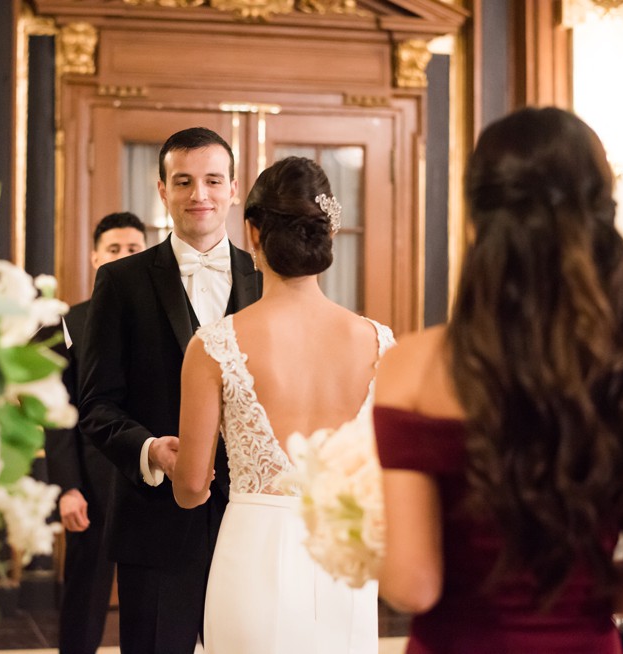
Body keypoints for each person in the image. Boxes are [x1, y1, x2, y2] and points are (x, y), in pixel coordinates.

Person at [372, 106, 623, 653]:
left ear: (475, 220)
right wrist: (568, 595)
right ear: (602, 213)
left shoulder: (415, 367)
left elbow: (414, 586)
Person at [173, 156, 386, 653]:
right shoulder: (378, 343)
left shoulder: (214, 344)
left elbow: (189, 487)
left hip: (252, 554)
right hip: (344, 560)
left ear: (251, 232)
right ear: (327, 231)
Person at [78, 127, 262, 654]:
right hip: (155, 520)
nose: (199, 194)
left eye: (212, 180)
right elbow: (96, 403)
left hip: (248, 520)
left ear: (232, 189)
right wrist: (150, 449)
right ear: (162, 190)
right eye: (183, 181)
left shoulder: (266, 278)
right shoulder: (120, 282)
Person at [45, 211, 147, 654]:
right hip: (91, 481)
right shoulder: (67, 323)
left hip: (153, 477)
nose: (124, 257)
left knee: (151, 599)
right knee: (85, 596)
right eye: (114, 249)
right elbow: (56, 413)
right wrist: (68, 487)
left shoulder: (167, 317)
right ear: (95, 257)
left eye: (133, 250)